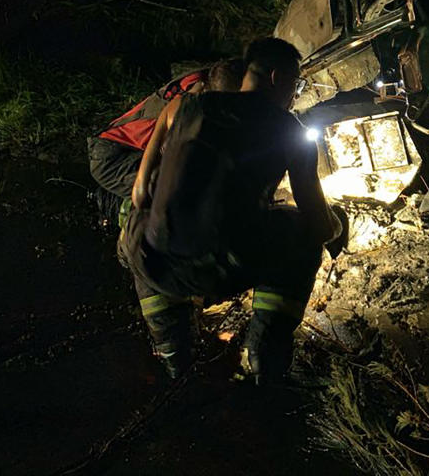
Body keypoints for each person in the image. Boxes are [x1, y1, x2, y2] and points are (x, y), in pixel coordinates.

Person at [121, 37, 342, 381]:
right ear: (276, 77)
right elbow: (318, 224)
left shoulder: (183, 108)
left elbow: (137, 195)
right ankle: (264, 354)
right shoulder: (290, 131)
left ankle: (173, 351)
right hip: (227, 272)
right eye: (295, 84)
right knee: (302, 233)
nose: (294, 94)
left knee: (134, 222)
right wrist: (336, 225)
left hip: (157, 263)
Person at [87, 59, 244, 227]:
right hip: (112, 158)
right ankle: (122, 214)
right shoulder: (184, 113)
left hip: (118, 145)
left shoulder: (207, 77)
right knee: (174, 192)